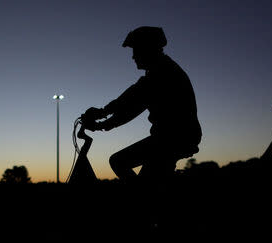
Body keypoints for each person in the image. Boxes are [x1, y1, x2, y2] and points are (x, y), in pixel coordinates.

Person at [82, 26, 202, 180]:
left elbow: (133, 104)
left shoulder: (163, 73)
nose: (133, 57)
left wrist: (103, 119)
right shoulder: (159, 70)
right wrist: (104, 117)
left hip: (172, 138)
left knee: (119, 161)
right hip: (174, 137)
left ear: (147, 49)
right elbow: (132, 99)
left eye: (135, 50)